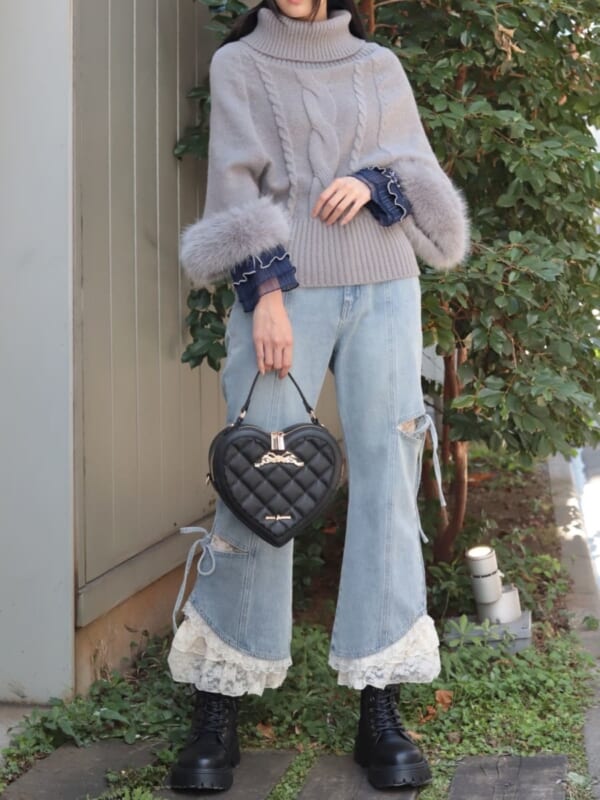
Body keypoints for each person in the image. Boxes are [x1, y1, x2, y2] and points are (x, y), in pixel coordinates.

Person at [168, 0, 469, 791]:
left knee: (388, 479)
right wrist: (265, 295)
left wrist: (375, 183)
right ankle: (221, 699)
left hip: (385, 290)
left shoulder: (378, 66)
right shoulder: (241, 63)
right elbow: (235, 186)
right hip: (286, 294)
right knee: (255, 475)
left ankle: (380, 701)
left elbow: (428, 195)